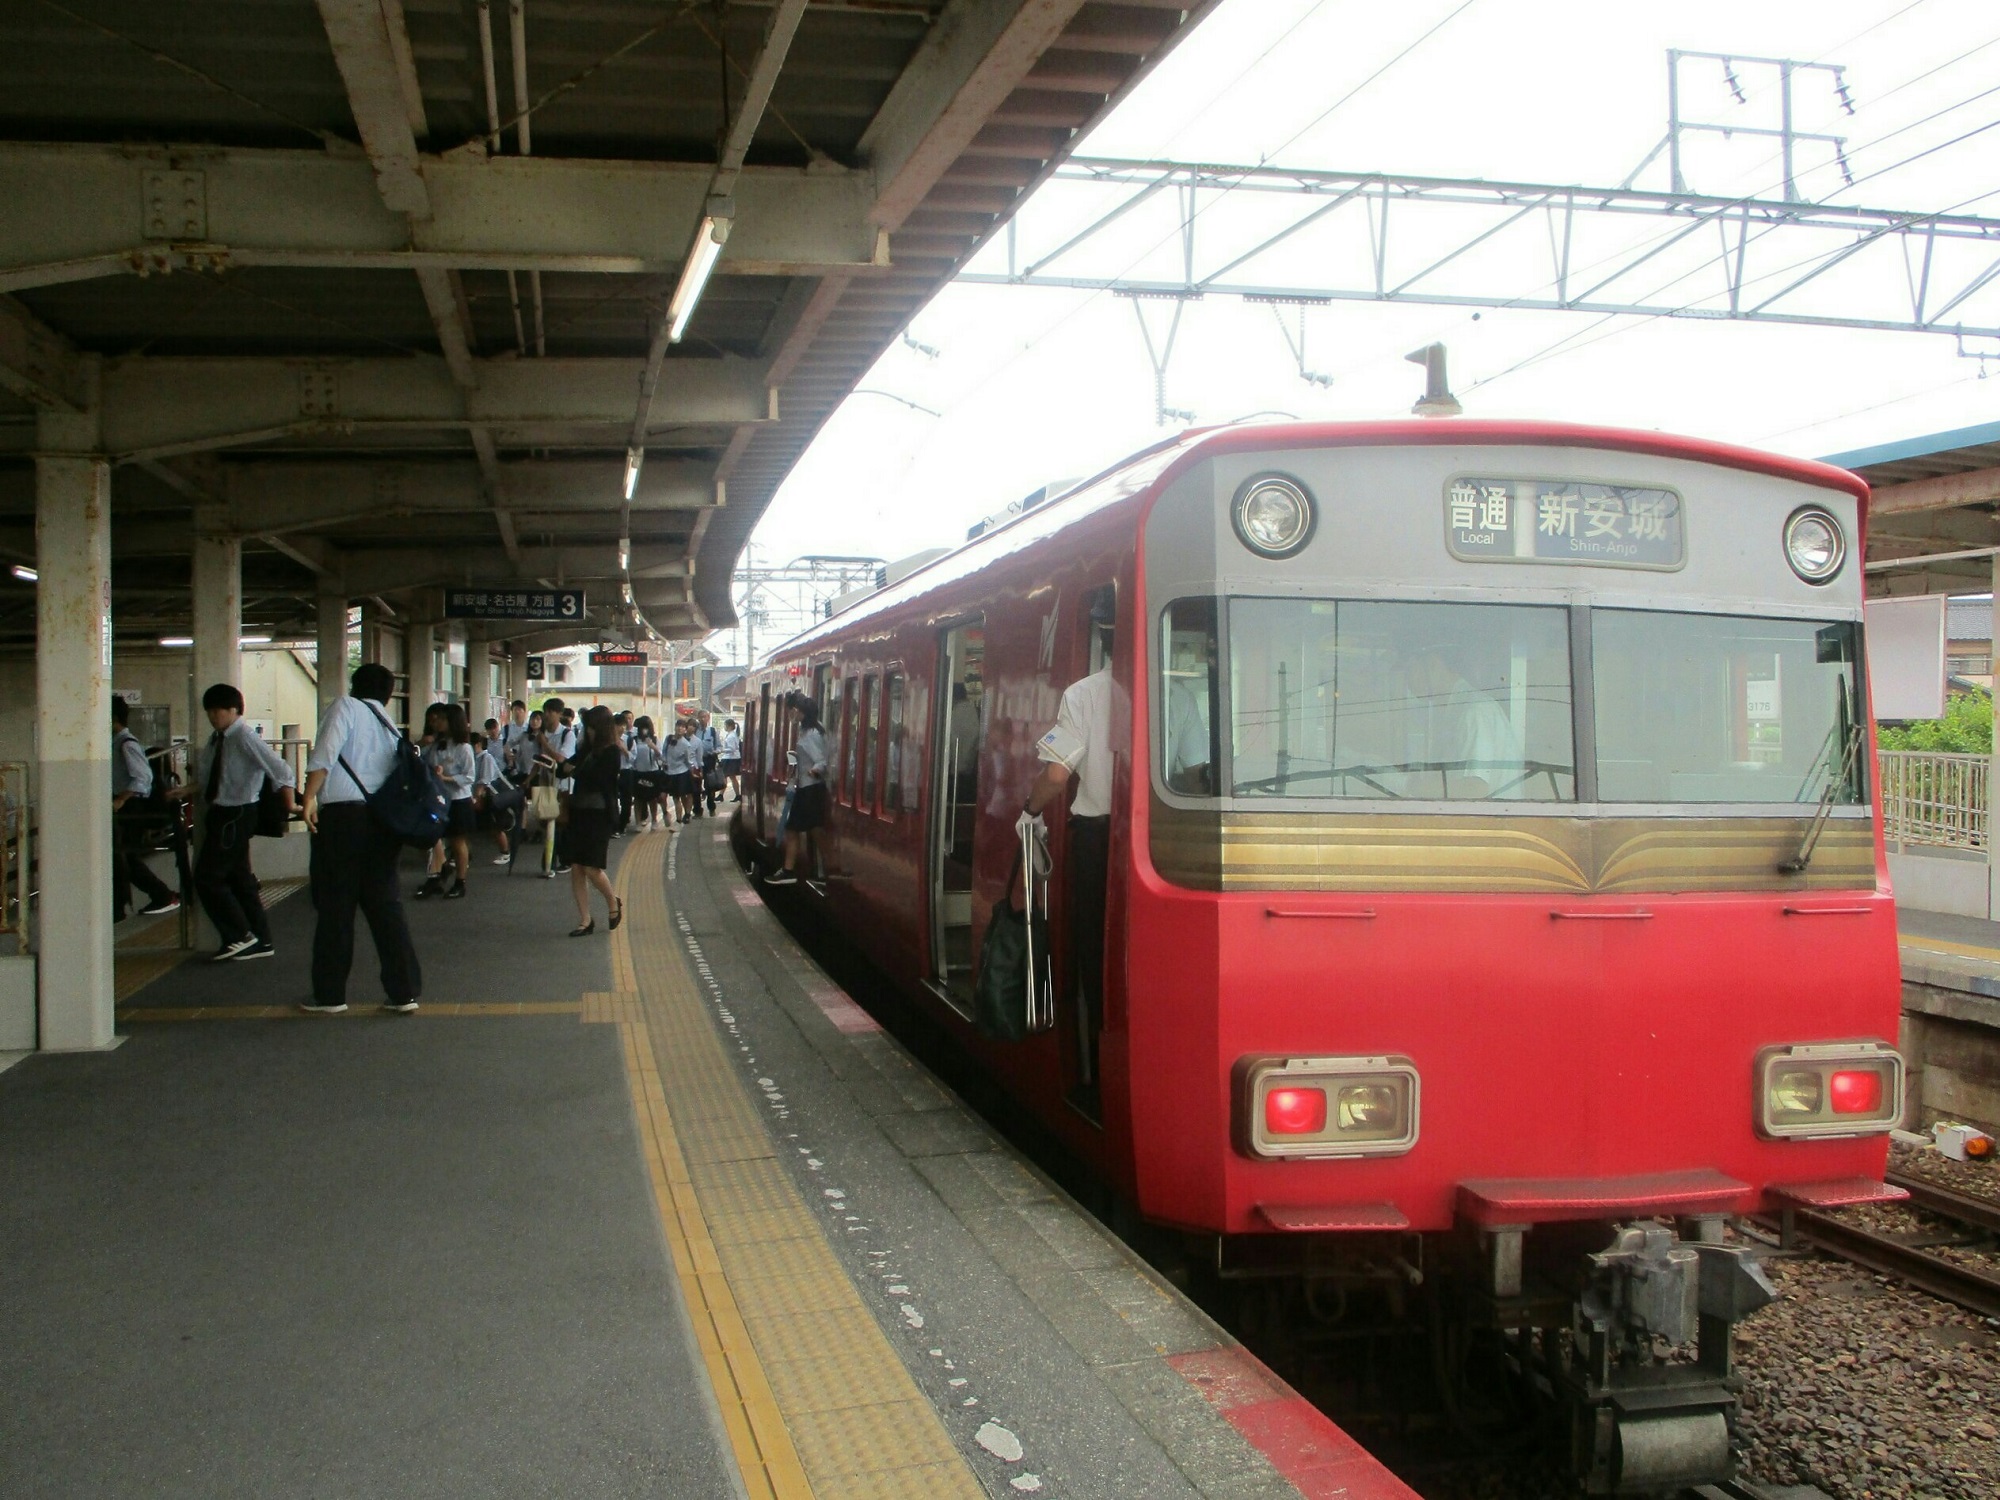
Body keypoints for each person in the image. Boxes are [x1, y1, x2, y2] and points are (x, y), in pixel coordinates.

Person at [1025, 591, 1117, 1104]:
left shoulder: (1083, 694)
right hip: (1149, 840)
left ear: (1103, 637)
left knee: (1088, 953)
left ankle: (1093, 1072)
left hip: (1095, 841)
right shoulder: (1178, 697)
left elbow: (1057, 774)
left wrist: (1029, 810)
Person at [299, 662, 423, 1015]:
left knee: (336, 906)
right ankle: (403, 992)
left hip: (342, 820)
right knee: (385, 906)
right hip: (381, 823)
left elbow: (324, 753)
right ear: (388, 694)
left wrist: (309, 797)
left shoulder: (345, 707)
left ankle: (330, 994)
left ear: (355, 686)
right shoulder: (389, 726)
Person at [169, 683, 296, 960]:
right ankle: (262, 941)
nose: (213, 716)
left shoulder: (244, 737)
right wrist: (188, 789)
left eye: (219, 711)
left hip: (236, 813)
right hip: (223, 812)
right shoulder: (219, 738)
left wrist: (290, 802)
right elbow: (214, 777)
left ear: (234, 710)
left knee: (207, 877)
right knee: (240, 879)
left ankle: (240, 935)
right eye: (209, 712)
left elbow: (281, 769)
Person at [1396, 640, 1529, 799]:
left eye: (1410, 671)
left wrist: (1410, 786)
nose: (1407, 680)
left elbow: (1475, 788)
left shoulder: (1474, 710)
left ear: (1433, 664)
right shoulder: (1453, 711)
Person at [556, 705, 624, 936]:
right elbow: (563, 770)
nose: (588, 732)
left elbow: (600, 779)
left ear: (601, 728)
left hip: (600, 814)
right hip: (579, 811)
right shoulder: (585, 749)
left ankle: (612, 902)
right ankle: (585, 920)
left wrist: (574, 768)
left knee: (591, 867)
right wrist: (565, 765)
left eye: (592, 728)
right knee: (576, 865)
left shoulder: (612, 752)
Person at [111, 696, 180, 920]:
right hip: (126, 807)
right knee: (121, 858)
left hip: (130, 808)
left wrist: (122, 799)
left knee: (126, 857)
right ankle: (121, 905)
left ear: (113, 718)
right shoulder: (117, 743)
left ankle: (162, 895)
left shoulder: (126, 744)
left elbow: (143, 778)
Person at [762, 697, 826, 886]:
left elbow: (822, 760)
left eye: (791, 710)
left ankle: (793, 871)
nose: (790, 714)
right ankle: (813, 870)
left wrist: (815, 770)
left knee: (798, 829)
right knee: (806, 829)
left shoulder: (812, 734)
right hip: (805, 787)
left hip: (810, 788)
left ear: (799, 711)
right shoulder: (807, 730)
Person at [415, 702, 474, 898]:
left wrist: (446, 778)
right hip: (438, 799)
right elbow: (421, 759)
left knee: (457, 842)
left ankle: (460, 881)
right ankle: (438, 872)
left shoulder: (463, 748)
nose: (437, 722)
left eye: (441, 719)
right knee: (431, 837)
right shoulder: (435, 745)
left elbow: (469, 777)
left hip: (458, 800)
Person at [471, 730, 516, 865]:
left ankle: (505, 852)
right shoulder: (474, 758)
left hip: (492, 797)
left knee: (496, 826)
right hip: (483, 797)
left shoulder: (486, 758)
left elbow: (484, 781)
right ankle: (464, 855)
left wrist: (475, 798)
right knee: (485, 826)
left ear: (478, 744)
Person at [629, 716, 663, 831]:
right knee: (638, 798)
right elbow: (631, 757)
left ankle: (654, 820)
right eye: (640, 727)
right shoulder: (633, 740)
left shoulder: (654, 739)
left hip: (652, 772)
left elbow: (660, 756)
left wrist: (653, 747)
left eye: (645, 727)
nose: (643, 730)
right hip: (638, 772)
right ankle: (638, 822)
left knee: (652, 798)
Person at [720, 717, 743, 802]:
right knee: (729, 777)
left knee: (727, 777)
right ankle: (722, 794)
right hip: (732, 758)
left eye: (725, 725)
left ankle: (734, 795)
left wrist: (722, 750)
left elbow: (732, 749)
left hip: (730, 759)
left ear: (729, 726)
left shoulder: (731, 736)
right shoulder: (733, 735)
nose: (724, 727)